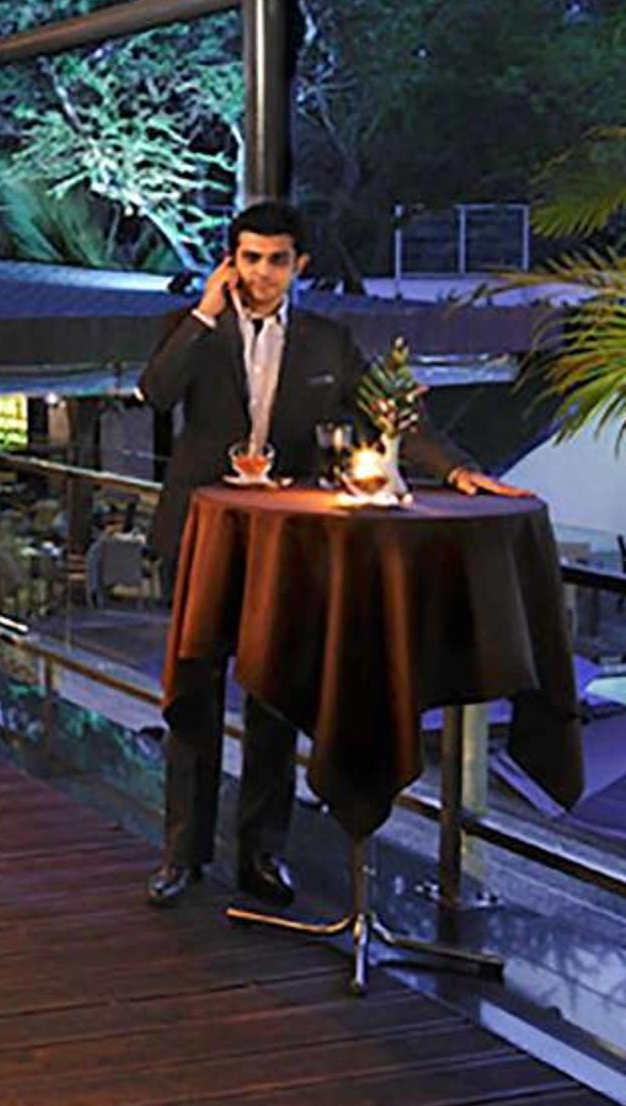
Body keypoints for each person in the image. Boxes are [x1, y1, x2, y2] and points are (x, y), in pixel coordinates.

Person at [139, 200, 524, 910]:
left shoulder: (326, 342)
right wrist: (205, 311)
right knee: (193, 700)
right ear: (231, 261)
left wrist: (458, 469)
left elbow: (389, 409)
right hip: (200, 533)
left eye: (276, 260)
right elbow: (156, 393)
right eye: (250, 258)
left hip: (286, 542)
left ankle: (260, 855)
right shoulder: (193, 326)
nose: (262, 273)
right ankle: (181, 854)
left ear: (299, 265)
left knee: (273, 698)